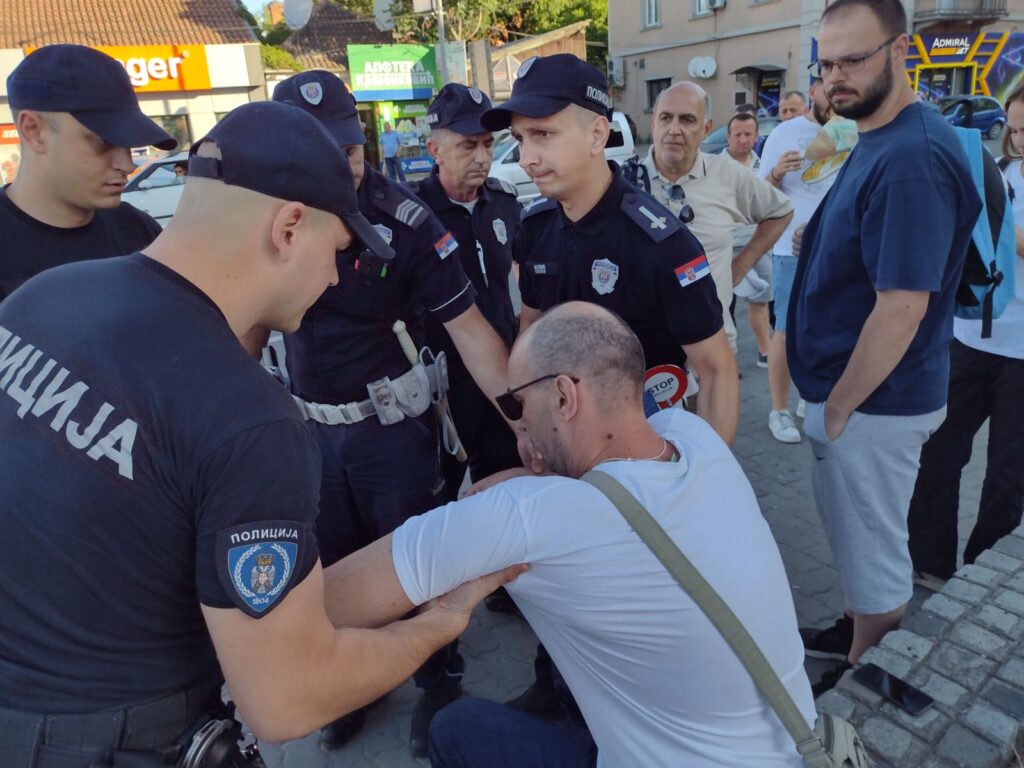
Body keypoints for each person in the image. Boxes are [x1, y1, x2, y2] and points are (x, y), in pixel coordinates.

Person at [0, 100, 522, 768]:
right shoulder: (249, 418)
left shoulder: (44, 297)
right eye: (338, 250)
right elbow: (288, 698)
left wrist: (441, 539)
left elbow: (257, 599)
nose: (333, 276)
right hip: (116, 740)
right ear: (289, 227)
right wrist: (442, 620)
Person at [325, 302, 816, 768]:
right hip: (797, 746)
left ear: (564, 396)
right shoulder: (695, 438)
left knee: (455, 727)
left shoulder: (527, 518)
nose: (518, 425)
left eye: (518, 403)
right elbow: (601, 480)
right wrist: (524, 477)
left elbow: (323, 606)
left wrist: (431, 625)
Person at [271, 70, 515, 755]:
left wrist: (524, 422)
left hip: (392, 434)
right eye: (321, 156)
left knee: (417, 566)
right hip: (314, 435)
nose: (341, 169)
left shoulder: (405, 222)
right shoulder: (266, 216)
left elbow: (471, 330)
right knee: (339, 568)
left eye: (349, 152)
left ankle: (438, 679)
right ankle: (360, 683)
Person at [789, 0, 981, 695]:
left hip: (874, 402)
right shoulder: (881, 134)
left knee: (873, 554)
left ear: (900, 51)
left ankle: (865, 674)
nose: (835, 77)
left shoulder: (911, 158)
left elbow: (902, 306)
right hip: (864, 396)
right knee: (857, 538)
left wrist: (839, 408)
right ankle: (855, 630)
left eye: (853, 59)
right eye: (826, 63)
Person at [906, 83, 1024, 586]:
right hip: (970, 338)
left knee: (1008, 474)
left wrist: (997, 229)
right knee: (937, 452)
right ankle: (930, 564)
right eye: (1014, 130)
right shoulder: (997, 172)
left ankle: (980, 576)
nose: (1019, 139)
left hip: (1021, 354)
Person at [413, 83, 522, 503]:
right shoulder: (414, 216)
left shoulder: (504, 203)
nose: (482, 157)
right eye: (467, 146)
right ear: (435, 150)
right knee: (435, 499)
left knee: (506, 489)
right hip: (441, 389)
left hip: (500, 376)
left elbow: (523, 275)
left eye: (488, 144)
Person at [0, 44, 176, 302]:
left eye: (128, 142)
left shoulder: (138, 230)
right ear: (33, 131)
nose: (127, 165)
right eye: (103, 140)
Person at [628, 81, 793, 351]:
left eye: (687, 120)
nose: (674, 129)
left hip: (713, 346)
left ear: (706, 128)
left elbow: (781, 211)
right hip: (648, 350)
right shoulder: (627, 185)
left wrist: (740, 266)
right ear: (654, 123)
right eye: (666, 118)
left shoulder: (727, 174)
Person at [758, 76, 842, 443]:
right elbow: (761, 194)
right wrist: (777, 172)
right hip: (789, 249)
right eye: (829, 91)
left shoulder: (851, 130)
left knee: (827, 327)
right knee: (786, 330)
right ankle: (779, 410)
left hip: (836, 249)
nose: (835, 100)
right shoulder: (784, 134)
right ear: (813, 91)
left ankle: (812, 395)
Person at [722, 112, 774, 367]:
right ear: (728, 137)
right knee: (723, 307)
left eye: (748, 134)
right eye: (737, 135)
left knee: (761, 298)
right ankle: (726, 360)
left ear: (756, 136)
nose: (743, 140)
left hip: (758, 244)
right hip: (726, 246)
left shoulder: (763, 164)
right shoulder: (715, 166)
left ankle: (766, 352)